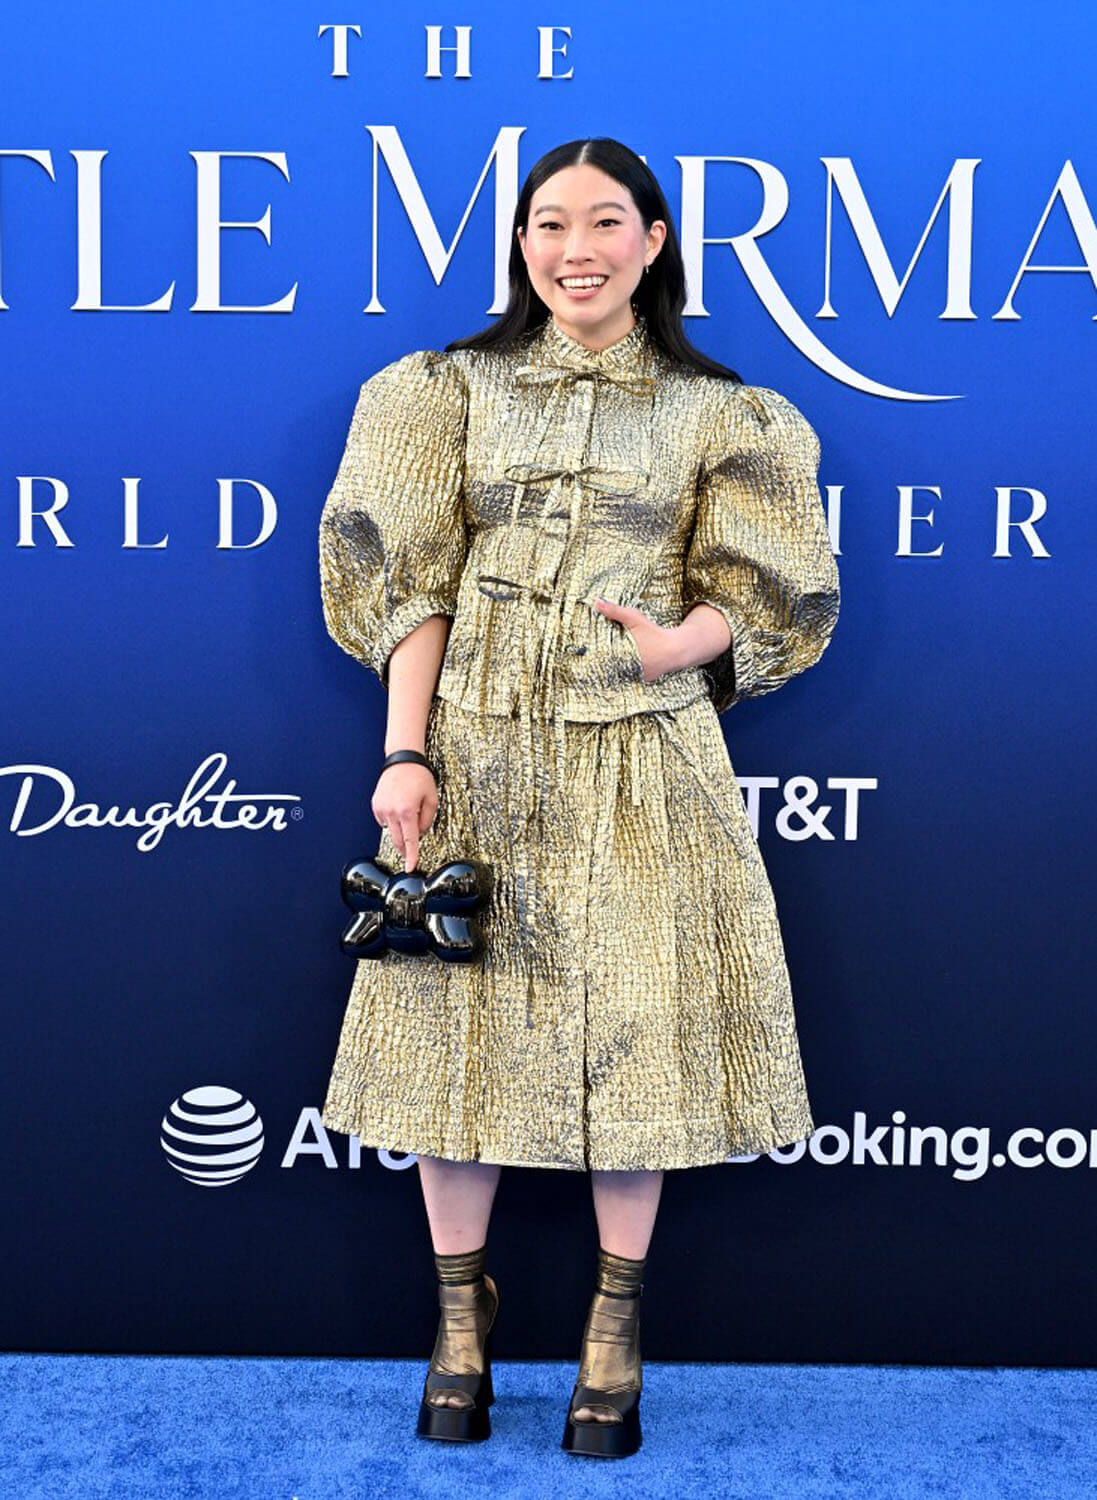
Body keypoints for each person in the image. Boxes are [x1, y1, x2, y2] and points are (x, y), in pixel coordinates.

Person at [317, 136, 840, 1459]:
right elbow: (410, 582)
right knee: (453, 1037)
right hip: (477, 754)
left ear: (653, 242)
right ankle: (459, 1323)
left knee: (638, 1037)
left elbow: (765, 589)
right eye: (549, 223)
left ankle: (615, 1330)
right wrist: (405, 755)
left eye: (606, 222)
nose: (575, 249)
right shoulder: (441, 392)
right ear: (520, 243)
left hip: (642, 758)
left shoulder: (723, 415)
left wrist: (681, 648)